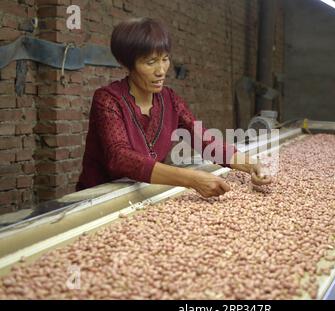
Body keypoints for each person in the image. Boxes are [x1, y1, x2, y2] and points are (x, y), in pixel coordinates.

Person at [76, 17, 271, 197]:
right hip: (98, 197)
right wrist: (191, 179)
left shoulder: (170, 100)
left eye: (165, 59)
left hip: (144, 191)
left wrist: (250, 164)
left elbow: (204, 140)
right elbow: (120, 157)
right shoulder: (108, 99)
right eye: (150, 62)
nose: (160, 70)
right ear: (128, 63)